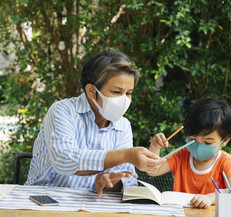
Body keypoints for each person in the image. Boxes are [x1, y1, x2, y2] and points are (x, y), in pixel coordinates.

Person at [26, 48, 163, 197]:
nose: (124, 100)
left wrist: (110, 181)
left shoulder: (123, 126)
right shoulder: (62, 111)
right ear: (91, 90)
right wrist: (126, 155)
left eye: (129, 93)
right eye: (117, 92)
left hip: (94, 203)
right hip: (46, 199)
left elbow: (128, 180)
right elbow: (64, 160)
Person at [149, 98, 231, 208]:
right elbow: (153, 170)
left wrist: (210, 197)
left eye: (207, 142)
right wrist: (155, 146)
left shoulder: (226, 161)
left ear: (224, 141)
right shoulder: (182, 155)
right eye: (192, 139)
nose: (199, 146)